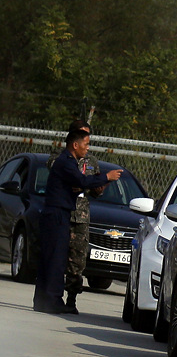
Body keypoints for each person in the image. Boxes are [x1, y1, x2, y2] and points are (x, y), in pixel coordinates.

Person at [34, 126, 121, 315]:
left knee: (50, 258)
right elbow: (81, 181)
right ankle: (53, 299)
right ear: (75, 144)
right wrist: (106, 176)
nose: (88, 148)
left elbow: (77, 183)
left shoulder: (69, 162)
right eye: (86, 144)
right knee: (56, 259)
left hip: (57, 213)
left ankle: (42, 300)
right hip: (57, 214)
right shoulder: (66, 161)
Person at [62, 120, 101, 315]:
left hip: (81, 216)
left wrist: (97, 187)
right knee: (57, 257)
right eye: (82, 135)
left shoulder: (91, 161)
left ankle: (72, 298)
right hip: (62, 213)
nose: (86, 142)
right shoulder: (60, 158)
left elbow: (95, 188)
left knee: (77, 260)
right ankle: (52, 295)